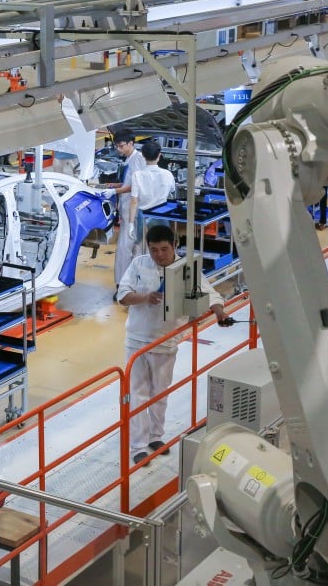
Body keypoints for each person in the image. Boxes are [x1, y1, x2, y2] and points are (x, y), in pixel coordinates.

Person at [117, 224, 230, 466]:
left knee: (160, 392)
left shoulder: (186, 268)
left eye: (164, 249)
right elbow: (122, 295)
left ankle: (156, 436)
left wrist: (220, 313)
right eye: (154, 249)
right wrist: (144, 297)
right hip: (137, 341)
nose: (159, 254)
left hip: (166, 342)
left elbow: (210, 294)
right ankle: (138, 447)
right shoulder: (139, 264)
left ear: (174, 246)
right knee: (137, 394)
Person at [105, 131, 147, 298]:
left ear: (131, 143)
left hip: (135, 213)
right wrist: (114, 185)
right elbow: (127, 183)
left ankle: (124, 288)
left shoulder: (139, 160)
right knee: (130, 250)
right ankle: (127, 287)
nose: (119, 149)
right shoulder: (129, 161)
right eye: (117, 146)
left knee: (126, 250)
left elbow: (134, 186)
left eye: (121, 146)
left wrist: (115, 190)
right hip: (127, 212)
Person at [126, 140, 176, 245]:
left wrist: (130, 224)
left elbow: (134, 201)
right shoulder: (168, 174)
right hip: (161, 215)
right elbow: (172, 192)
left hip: (143, 216)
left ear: (143, 156)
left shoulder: (137, 175)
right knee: (163, 246)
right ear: (159, 155)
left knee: (142, 247)